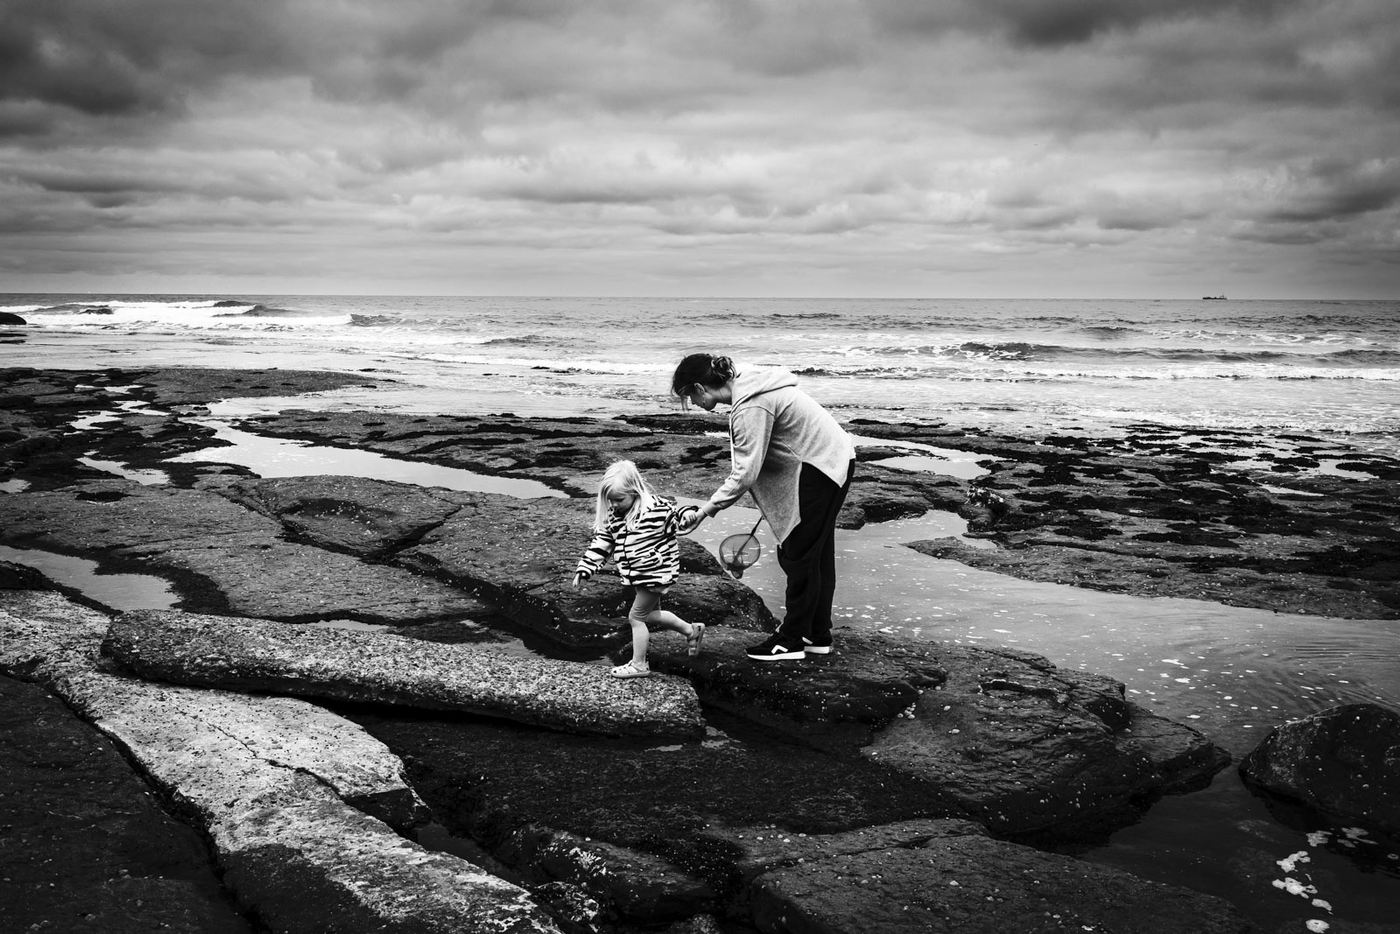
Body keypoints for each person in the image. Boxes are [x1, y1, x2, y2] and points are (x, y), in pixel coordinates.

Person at [672, 353, 856, 661]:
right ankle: (816, 634)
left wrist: (704, 511)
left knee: (798, 556)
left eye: (688, 396)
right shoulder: (753, 386)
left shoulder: (750, 405)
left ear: (699, 388)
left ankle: (791, 641)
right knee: (816, 555)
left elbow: (745, 472)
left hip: (819, 468)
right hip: (836, 459)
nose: (690, 403)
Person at [573, 459, 706, 678]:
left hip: (654, 573)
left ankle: (639, 665)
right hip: (638, 575)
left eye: (619, 499)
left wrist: (689, 514)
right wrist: (585, 568)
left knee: (636, 618)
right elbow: (602, 544)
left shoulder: (655, 509)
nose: (614, 505)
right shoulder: (615, 518)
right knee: (651, 615)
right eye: (610, 500)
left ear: (634, 491)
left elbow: (677, 518)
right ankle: (692, 631)